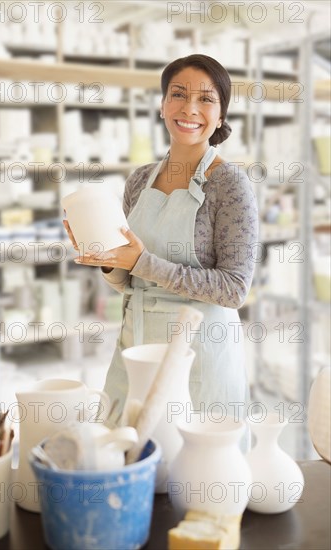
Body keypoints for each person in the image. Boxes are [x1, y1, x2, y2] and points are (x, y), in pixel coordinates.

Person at [64, 54, 258, 440]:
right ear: (162, 104)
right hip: (134, 346)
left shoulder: (230, 185)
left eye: (206, 99)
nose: (189, 108)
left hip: (198, 355)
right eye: (178, 94)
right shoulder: (139, 181)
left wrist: (142, 261)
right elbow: (130, 278)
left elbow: (234, 289)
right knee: (123, 455)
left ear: (221, 116)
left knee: (195, 478)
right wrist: (107, 259)